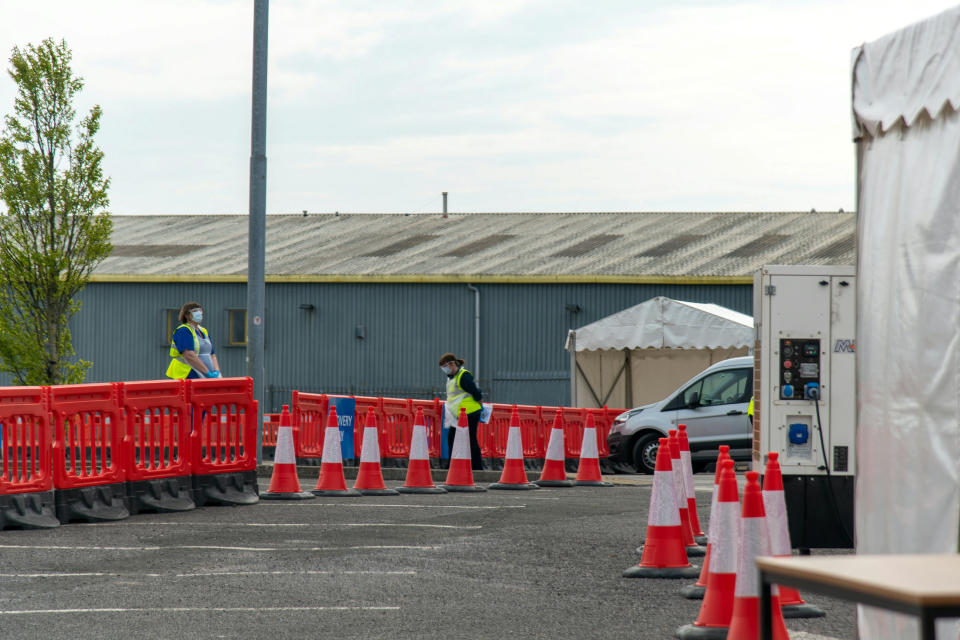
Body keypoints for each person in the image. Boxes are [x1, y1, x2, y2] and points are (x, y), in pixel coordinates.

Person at [439, 352, 484, 470]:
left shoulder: (463, 376)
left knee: (470, 439)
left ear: (452, 364)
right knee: (452, 438)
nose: (444, 370)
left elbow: (475, 391)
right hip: (457, 415)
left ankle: (477, 467)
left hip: (470, 412)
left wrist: (479, 400)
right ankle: (451, 465)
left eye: (445, 367)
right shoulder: (451, 378)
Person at [166, 301, 221, 379]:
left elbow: (212, 354)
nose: (199, 313)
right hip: (187, 373)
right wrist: (207, 372)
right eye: (195, 311)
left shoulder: (203, 331)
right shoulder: (183, 330)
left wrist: (216, 371)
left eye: (200, 310)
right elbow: (189, 355)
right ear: (186, 315)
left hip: (205, 374)